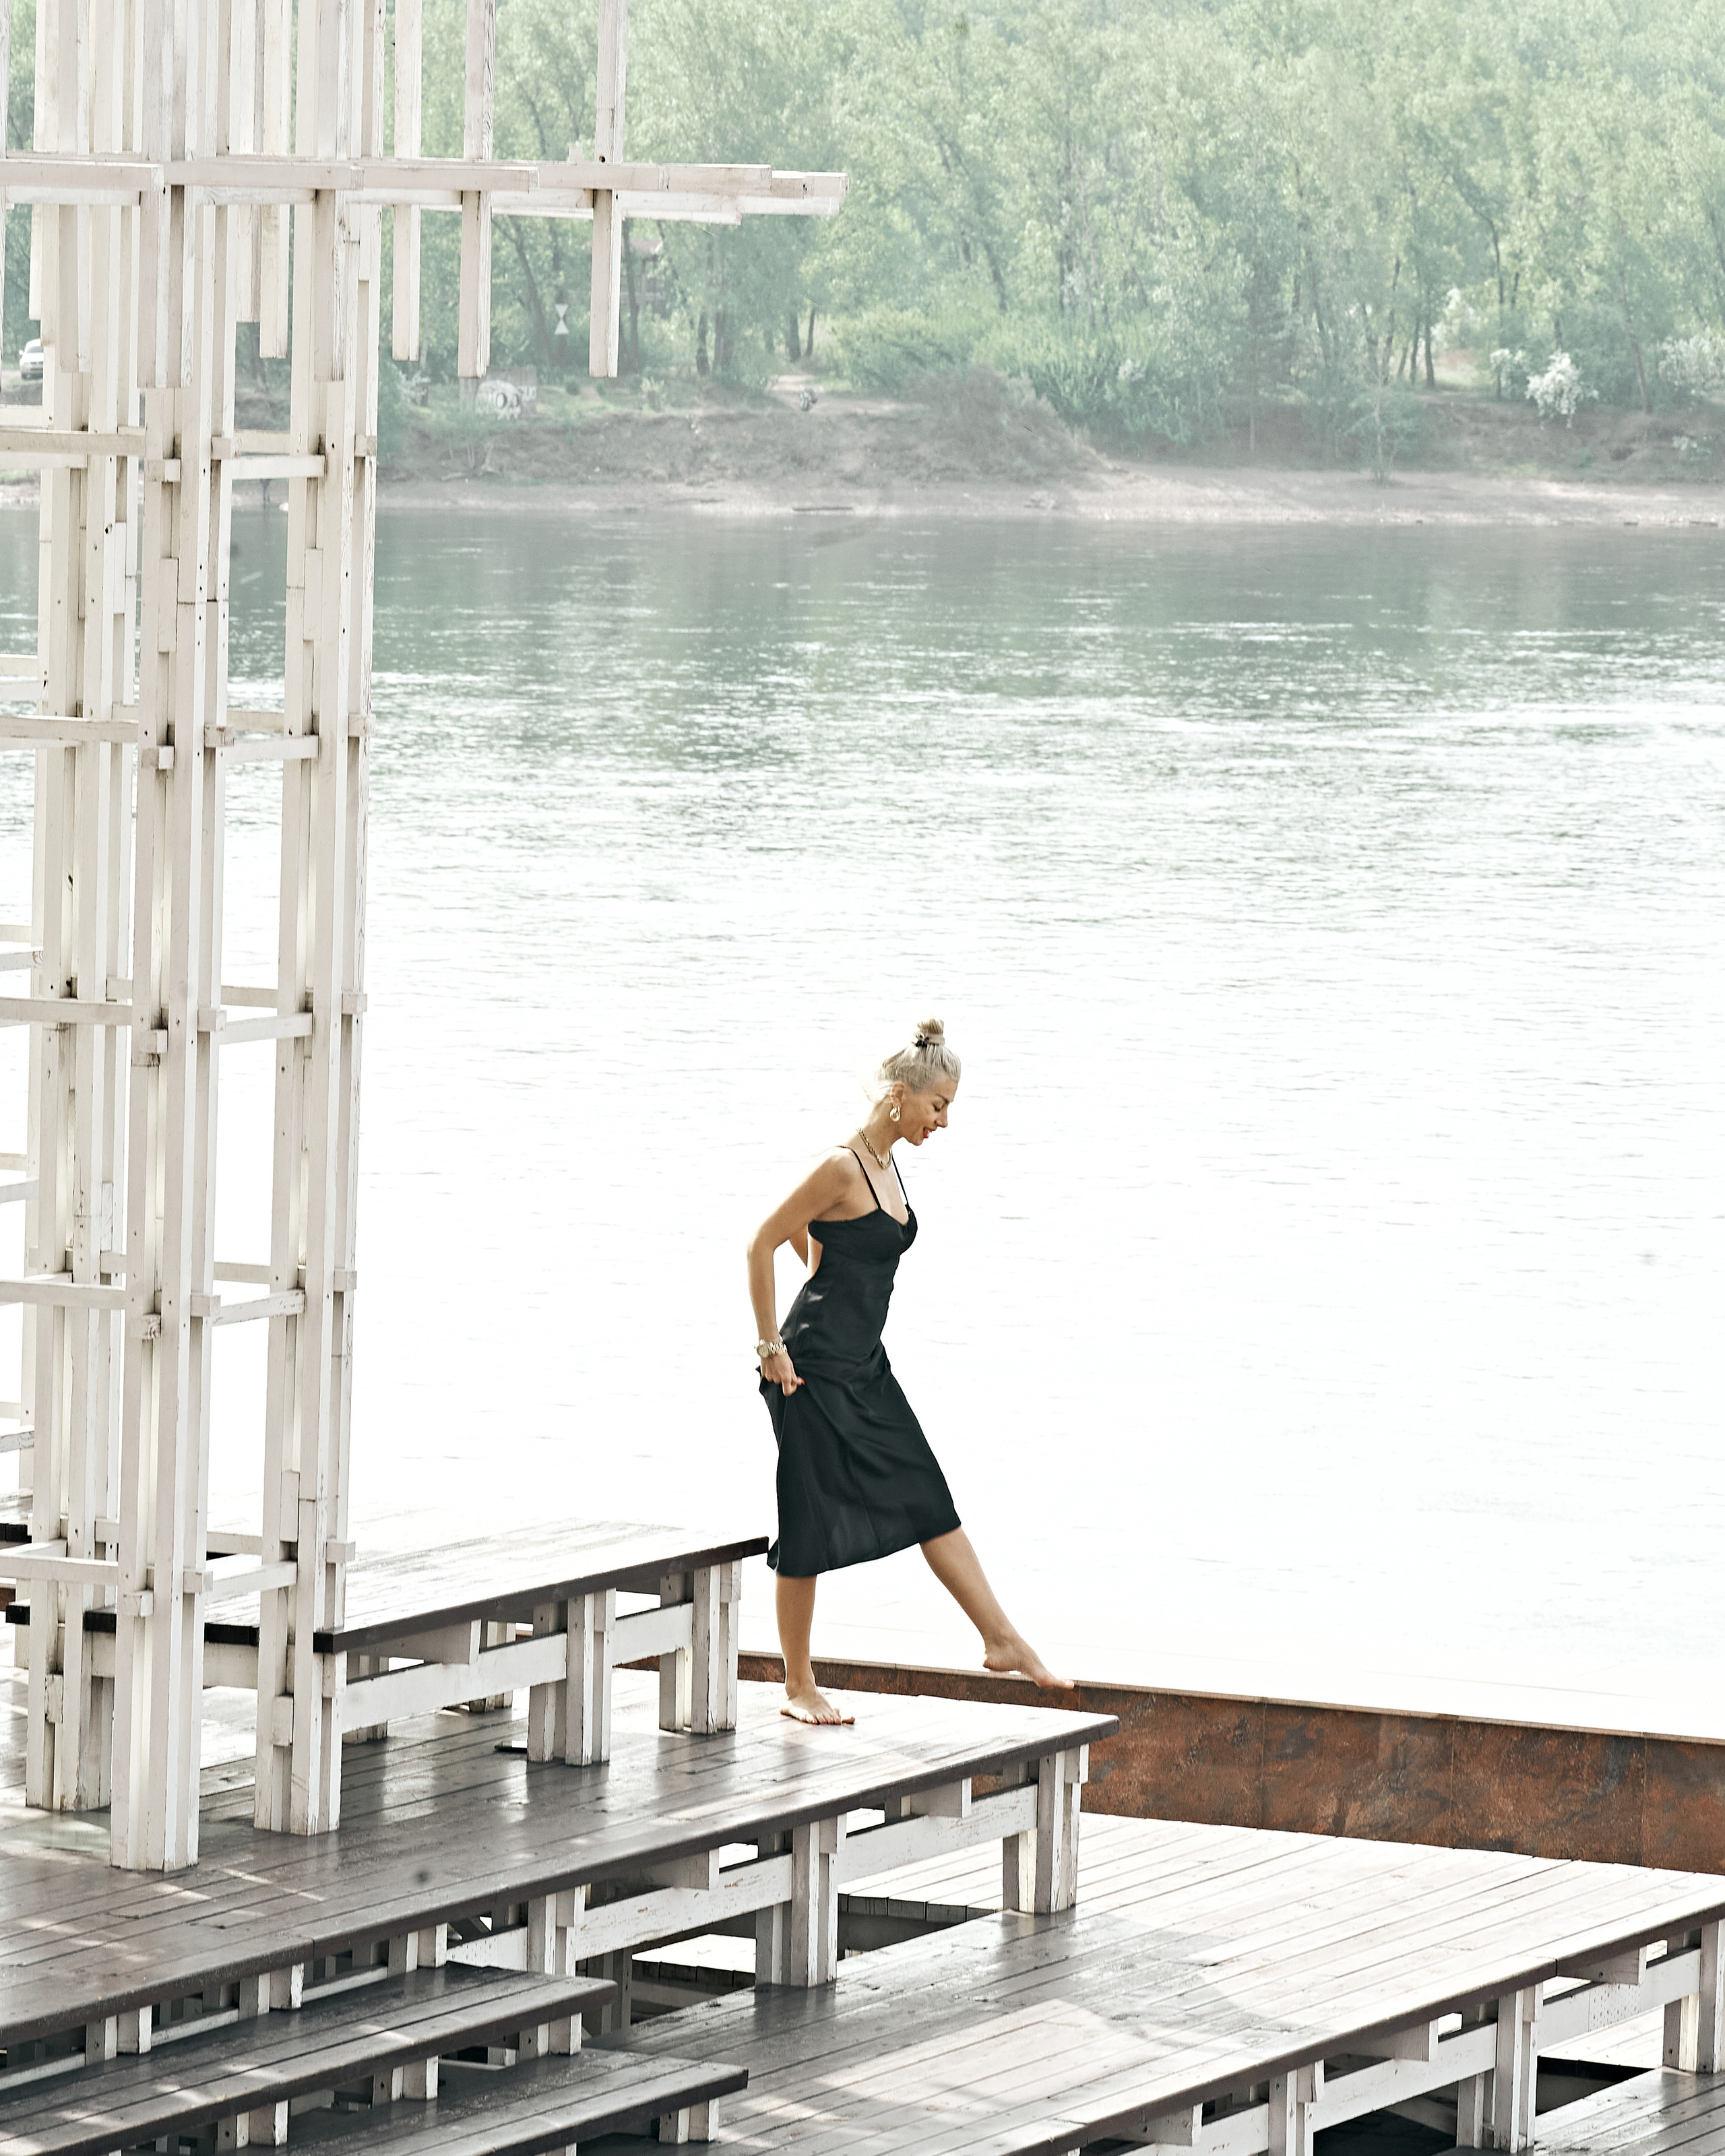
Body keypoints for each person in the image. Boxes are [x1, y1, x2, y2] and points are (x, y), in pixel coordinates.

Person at [747, 1019, 1071, 1724]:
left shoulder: (887, 1165)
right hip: (809, 1370)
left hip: (865, 1365)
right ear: (899, 1095)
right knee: (806, 1519)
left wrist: (822, 1270)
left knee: (926, 1494)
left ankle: (1001, 1639)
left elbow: (824, 1242)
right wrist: (771, 1346)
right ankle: (798, 1685)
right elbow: (761, 1241)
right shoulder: (841, 1166)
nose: (944, 1121)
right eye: (938, 1105)